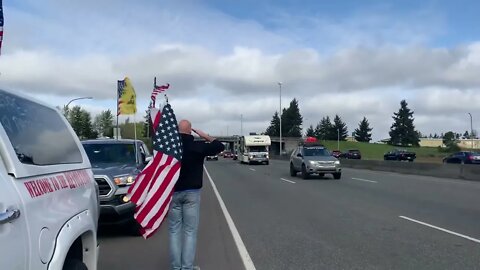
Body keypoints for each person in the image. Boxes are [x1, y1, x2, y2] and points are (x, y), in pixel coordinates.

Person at [168, 119, 225, 270]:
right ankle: (187, 267)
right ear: (190, 131)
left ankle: (176, 267)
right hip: (192, 193)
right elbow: (220, 146)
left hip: (173, 193)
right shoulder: (196, 147)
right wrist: (204, 135)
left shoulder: (169, 147)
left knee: (174, 231)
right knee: (189, 232)